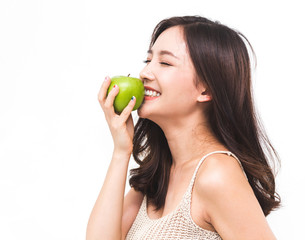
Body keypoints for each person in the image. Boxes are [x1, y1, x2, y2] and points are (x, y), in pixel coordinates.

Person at [87, 16, 281, 239]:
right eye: (148, 60)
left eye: (165, 63)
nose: (145, 73)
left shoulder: (216, 174)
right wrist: (121, 151)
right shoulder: (160, 173)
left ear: (205, 90)